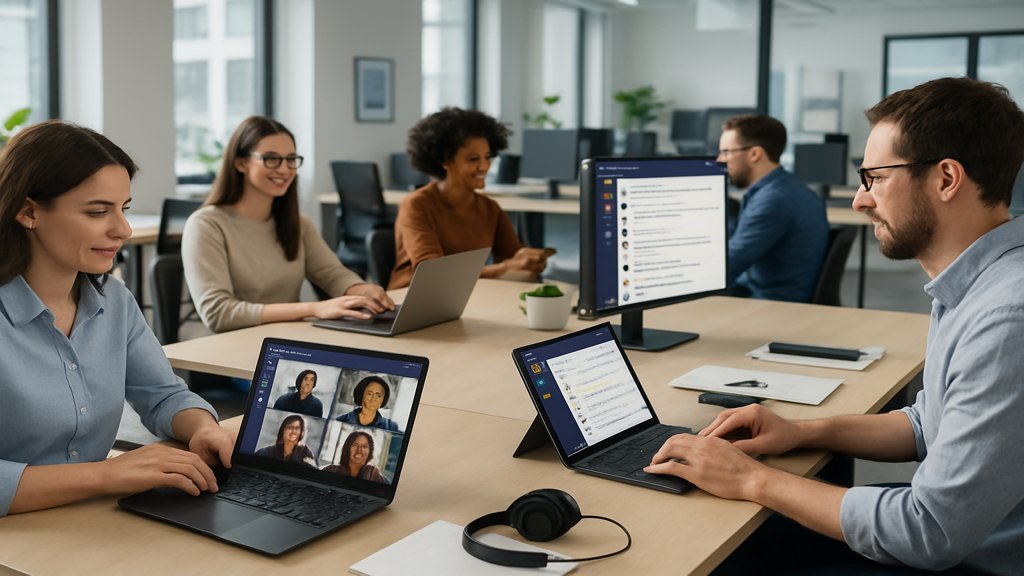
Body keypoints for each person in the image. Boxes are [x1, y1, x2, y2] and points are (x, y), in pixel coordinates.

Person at [647, 78, 1024, 575]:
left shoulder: (1005, 317)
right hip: (955, 529)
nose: (859, 201)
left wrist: (751, 479)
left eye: (875, 178)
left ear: (946, 178)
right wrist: (799, 432)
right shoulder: (976, 282)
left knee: (726, 547)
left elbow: (929, 531)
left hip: (965, 556)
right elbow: (924, 424)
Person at [0, 120, 235, 517]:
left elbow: (163, 394)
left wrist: (204, 429)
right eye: (97, 212)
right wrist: (107, 475)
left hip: (90, 522)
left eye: (123, 209)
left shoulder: (114, 301)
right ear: (28, 212)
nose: (123, 229)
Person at [182, 115, 394, 333]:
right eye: (271, 159)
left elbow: (331, 273)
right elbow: (218, 313)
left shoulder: (299, 223)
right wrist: (314, 308)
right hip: (230, 350)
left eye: (291, 159)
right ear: (240, 163)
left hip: (288, 342)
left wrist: (359, 289)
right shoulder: (206, 225)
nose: (284, 170)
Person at [389, 107, 550, 290]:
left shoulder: (489, 208)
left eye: (487, 157)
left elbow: (511, 256)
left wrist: (527, 260)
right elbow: (433, 272)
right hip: (414, 297)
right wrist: (503, 268)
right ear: (445, 161)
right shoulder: (417, 205)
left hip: (468, 294)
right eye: (473, 159)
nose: (484, 166)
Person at [717, 115, 828, 302]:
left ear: (755, 154)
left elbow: (727, 267)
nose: (720, 160)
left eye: (726, 152)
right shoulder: (784, 187)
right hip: (758, 289)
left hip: (771, 301)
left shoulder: (774, 200)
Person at [335, 375, 401, 432]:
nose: (373, 399)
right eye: (369, 394)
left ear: (383, 399)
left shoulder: (391, 427)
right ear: (361, 395)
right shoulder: (340, 421)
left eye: (378, 395)